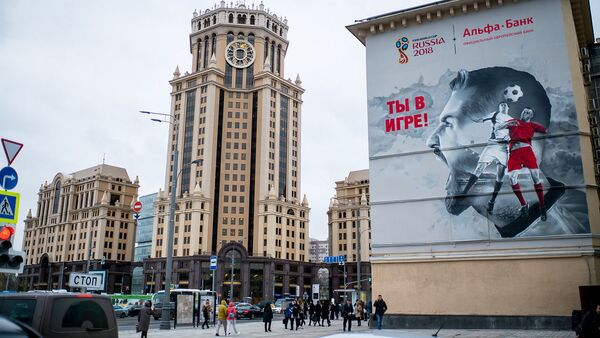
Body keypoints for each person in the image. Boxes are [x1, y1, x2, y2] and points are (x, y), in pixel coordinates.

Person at [457, 102, 511, 213]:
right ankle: (465, 192)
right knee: (479, 168)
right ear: (499, 107)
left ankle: (492, 201)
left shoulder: (512, 119)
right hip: (492, 145)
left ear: (508, 107)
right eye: (501, 104)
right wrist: (469, 115)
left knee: (500, 175)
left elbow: (516, 133)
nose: (503, 105)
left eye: (505, 104)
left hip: (504, 148)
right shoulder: (495, 114)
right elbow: (480, 120)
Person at [497, 107, 548, 220]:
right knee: (512, 179)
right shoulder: (514, 121)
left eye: (528, 112)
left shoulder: (532, 125)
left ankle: (542, 206)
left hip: (527, 152)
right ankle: (524, 205)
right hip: (514, 153)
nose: (525, 113)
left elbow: (545, 130)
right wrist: (509, 122)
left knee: (535, 178)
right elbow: (498, 127)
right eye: (524, 111)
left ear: (531, 116)